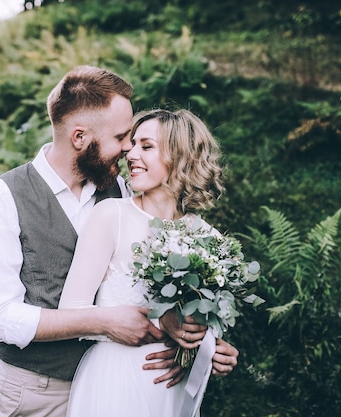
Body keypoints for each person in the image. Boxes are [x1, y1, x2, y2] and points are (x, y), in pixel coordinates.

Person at [0, 66, 238, 417]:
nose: (128, 149)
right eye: (122, 137)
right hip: (37, 390)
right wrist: (106, 321)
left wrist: (192, 345)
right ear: (79, 137)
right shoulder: (2, 198)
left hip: (127, 387)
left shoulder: (123, 191)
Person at [59, 108, 228, 417]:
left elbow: (203, 325)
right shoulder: (112, 216)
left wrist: (209, 349)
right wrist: (156, 322)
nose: (131, 154)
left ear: (181, 156)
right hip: (114, 382)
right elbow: (72, 311)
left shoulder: (209, 237)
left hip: (171, 390)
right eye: (132, 144)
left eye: (146, 146)